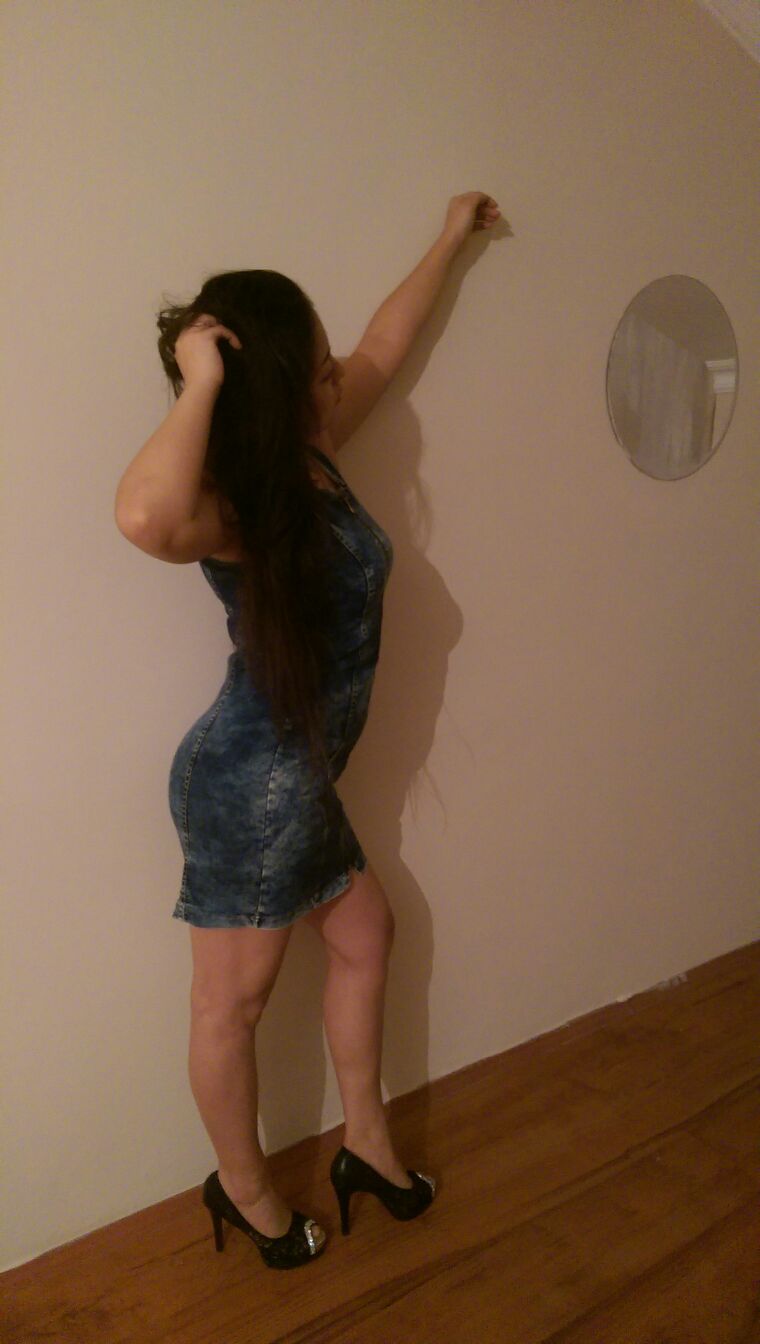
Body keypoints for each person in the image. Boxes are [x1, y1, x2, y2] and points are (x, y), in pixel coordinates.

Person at [114, 190, 501, 1270]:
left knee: (366, 934)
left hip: (299, 782)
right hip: (247, 788)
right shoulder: (231, 508)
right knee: (229, 1005)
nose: (338, 378)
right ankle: (244, 1192)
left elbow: (386, 342)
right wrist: (200, 380)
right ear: (274, 386)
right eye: (316, 369)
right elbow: (141, 515)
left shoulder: (315, 455)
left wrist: (449, 239)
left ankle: (365, 1146)